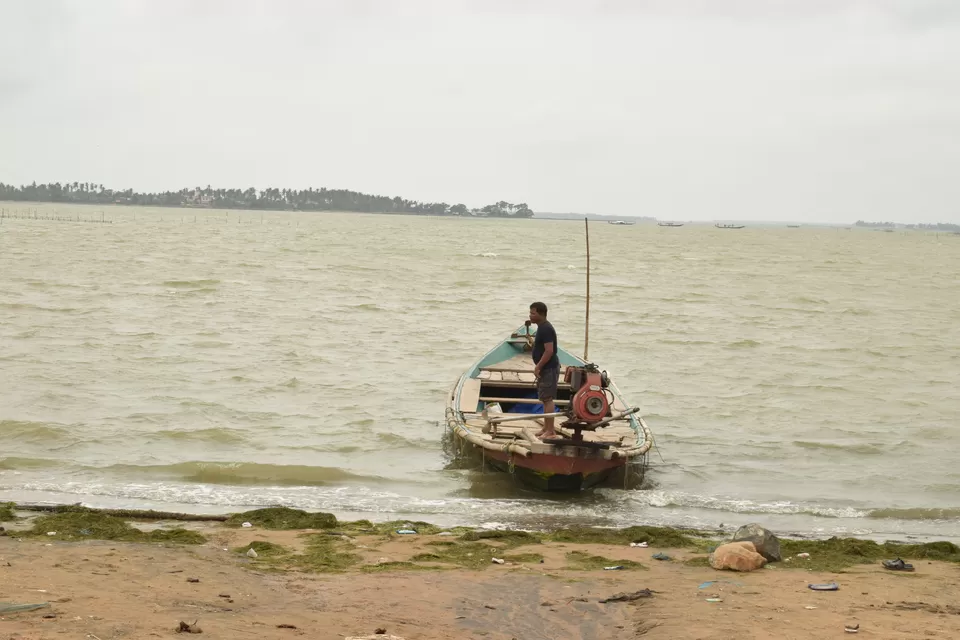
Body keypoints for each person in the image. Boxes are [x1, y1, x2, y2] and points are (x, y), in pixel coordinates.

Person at [528, 301, 560, 439]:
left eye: (533, 313)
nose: (530, 315)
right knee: (544, 397)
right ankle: (546, 427)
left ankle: (550, 431)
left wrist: (538, 366)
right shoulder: (541, 328)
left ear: (541, 314)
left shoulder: (546, 328)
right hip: (545, 369)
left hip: (549, 368)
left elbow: (549, 351)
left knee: (548, 398)